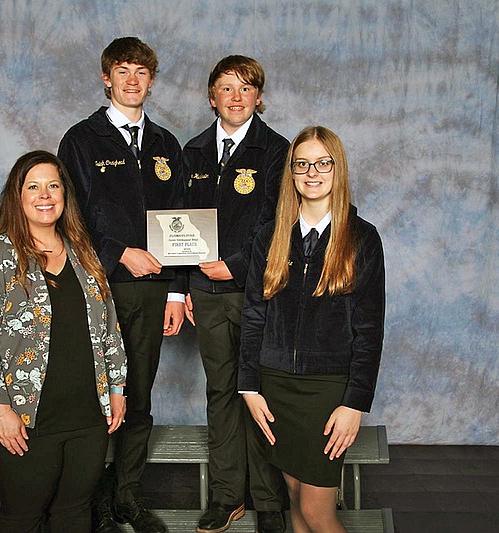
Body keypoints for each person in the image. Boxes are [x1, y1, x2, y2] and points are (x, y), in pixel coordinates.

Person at [58, 37, 185, 533]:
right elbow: (68, 215)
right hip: (97, 286)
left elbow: (179, 224)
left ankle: (127, 494)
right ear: (106, 78)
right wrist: (118, 254)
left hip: (153, 292)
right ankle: (90, 498)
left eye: (141, 72)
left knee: (139, 394)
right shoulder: (81, 140)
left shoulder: (165, 144)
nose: (132, 80)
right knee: (96, 393)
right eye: (122, 71)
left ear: (151, 82)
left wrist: (176, 290)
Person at [0, 150, 127, 533]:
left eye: (53, 186)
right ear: (17, 197)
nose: (45, 195)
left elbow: (109, 328)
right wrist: (1, 410)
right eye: (33, 186)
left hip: (87, 416)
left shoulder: (83, 252)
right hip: (24, 417)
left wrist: (117, 387)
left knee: (74, 512)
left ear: (64, 195)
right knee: (24, 515)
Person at [239, 126, 385, 533]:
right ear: (291, 173)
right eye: (302, 163)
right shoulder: (270, 235)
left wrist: (354, 402)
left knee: (319, 512)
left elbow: (370, 330)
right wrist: (249, 387)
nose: (312, 172)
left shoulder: (362, 238)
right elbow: (253, 315)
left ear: (338, 169)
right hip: (275, 389)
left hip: (328, 392)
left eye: (323, 163)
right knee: (296, 505)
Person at [182, 55, 288, 533]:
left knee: (257, 392)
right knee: (220, 392)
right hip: (205, 293)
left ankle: (269, 501)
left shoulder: (278, 151)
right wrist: (183, 287)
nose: (237, 97)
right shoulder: (194, 151)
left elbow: (276, 225)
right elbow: (179, 225)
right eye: (227, 88)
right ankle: (227, 496)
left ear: (259, 98)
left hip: (256, 290)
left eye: (246, 88)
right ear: (212, 97)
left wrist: (237, 265)